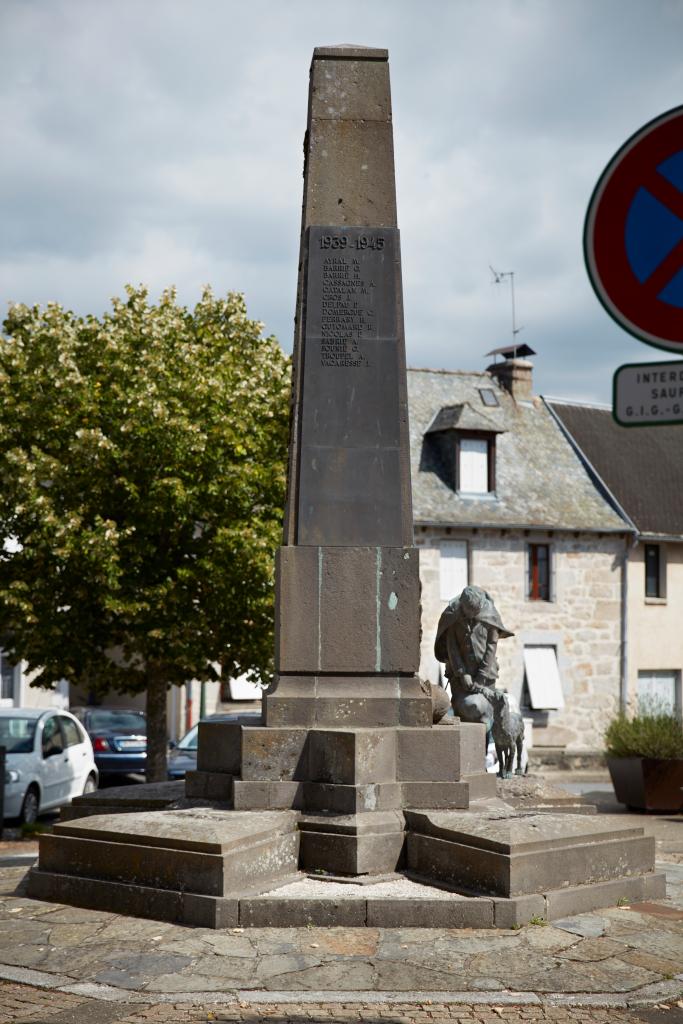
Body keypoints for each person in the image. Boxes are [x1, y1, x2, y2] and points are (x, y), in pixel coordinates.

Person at [434, 585, 514, 737]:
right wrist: (462, 673)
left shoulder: (490, 615)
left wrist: (481, 676)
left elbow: (491, 647)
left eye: (475, 613)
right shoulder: (453, 614)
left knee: (483, 713)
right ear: (462, 607)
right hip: (459, 676)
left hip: (486, 676)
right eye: (468, 612)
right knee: (463, 712)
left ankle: (481, 748)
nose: (471, 617)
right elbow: (452, 647)